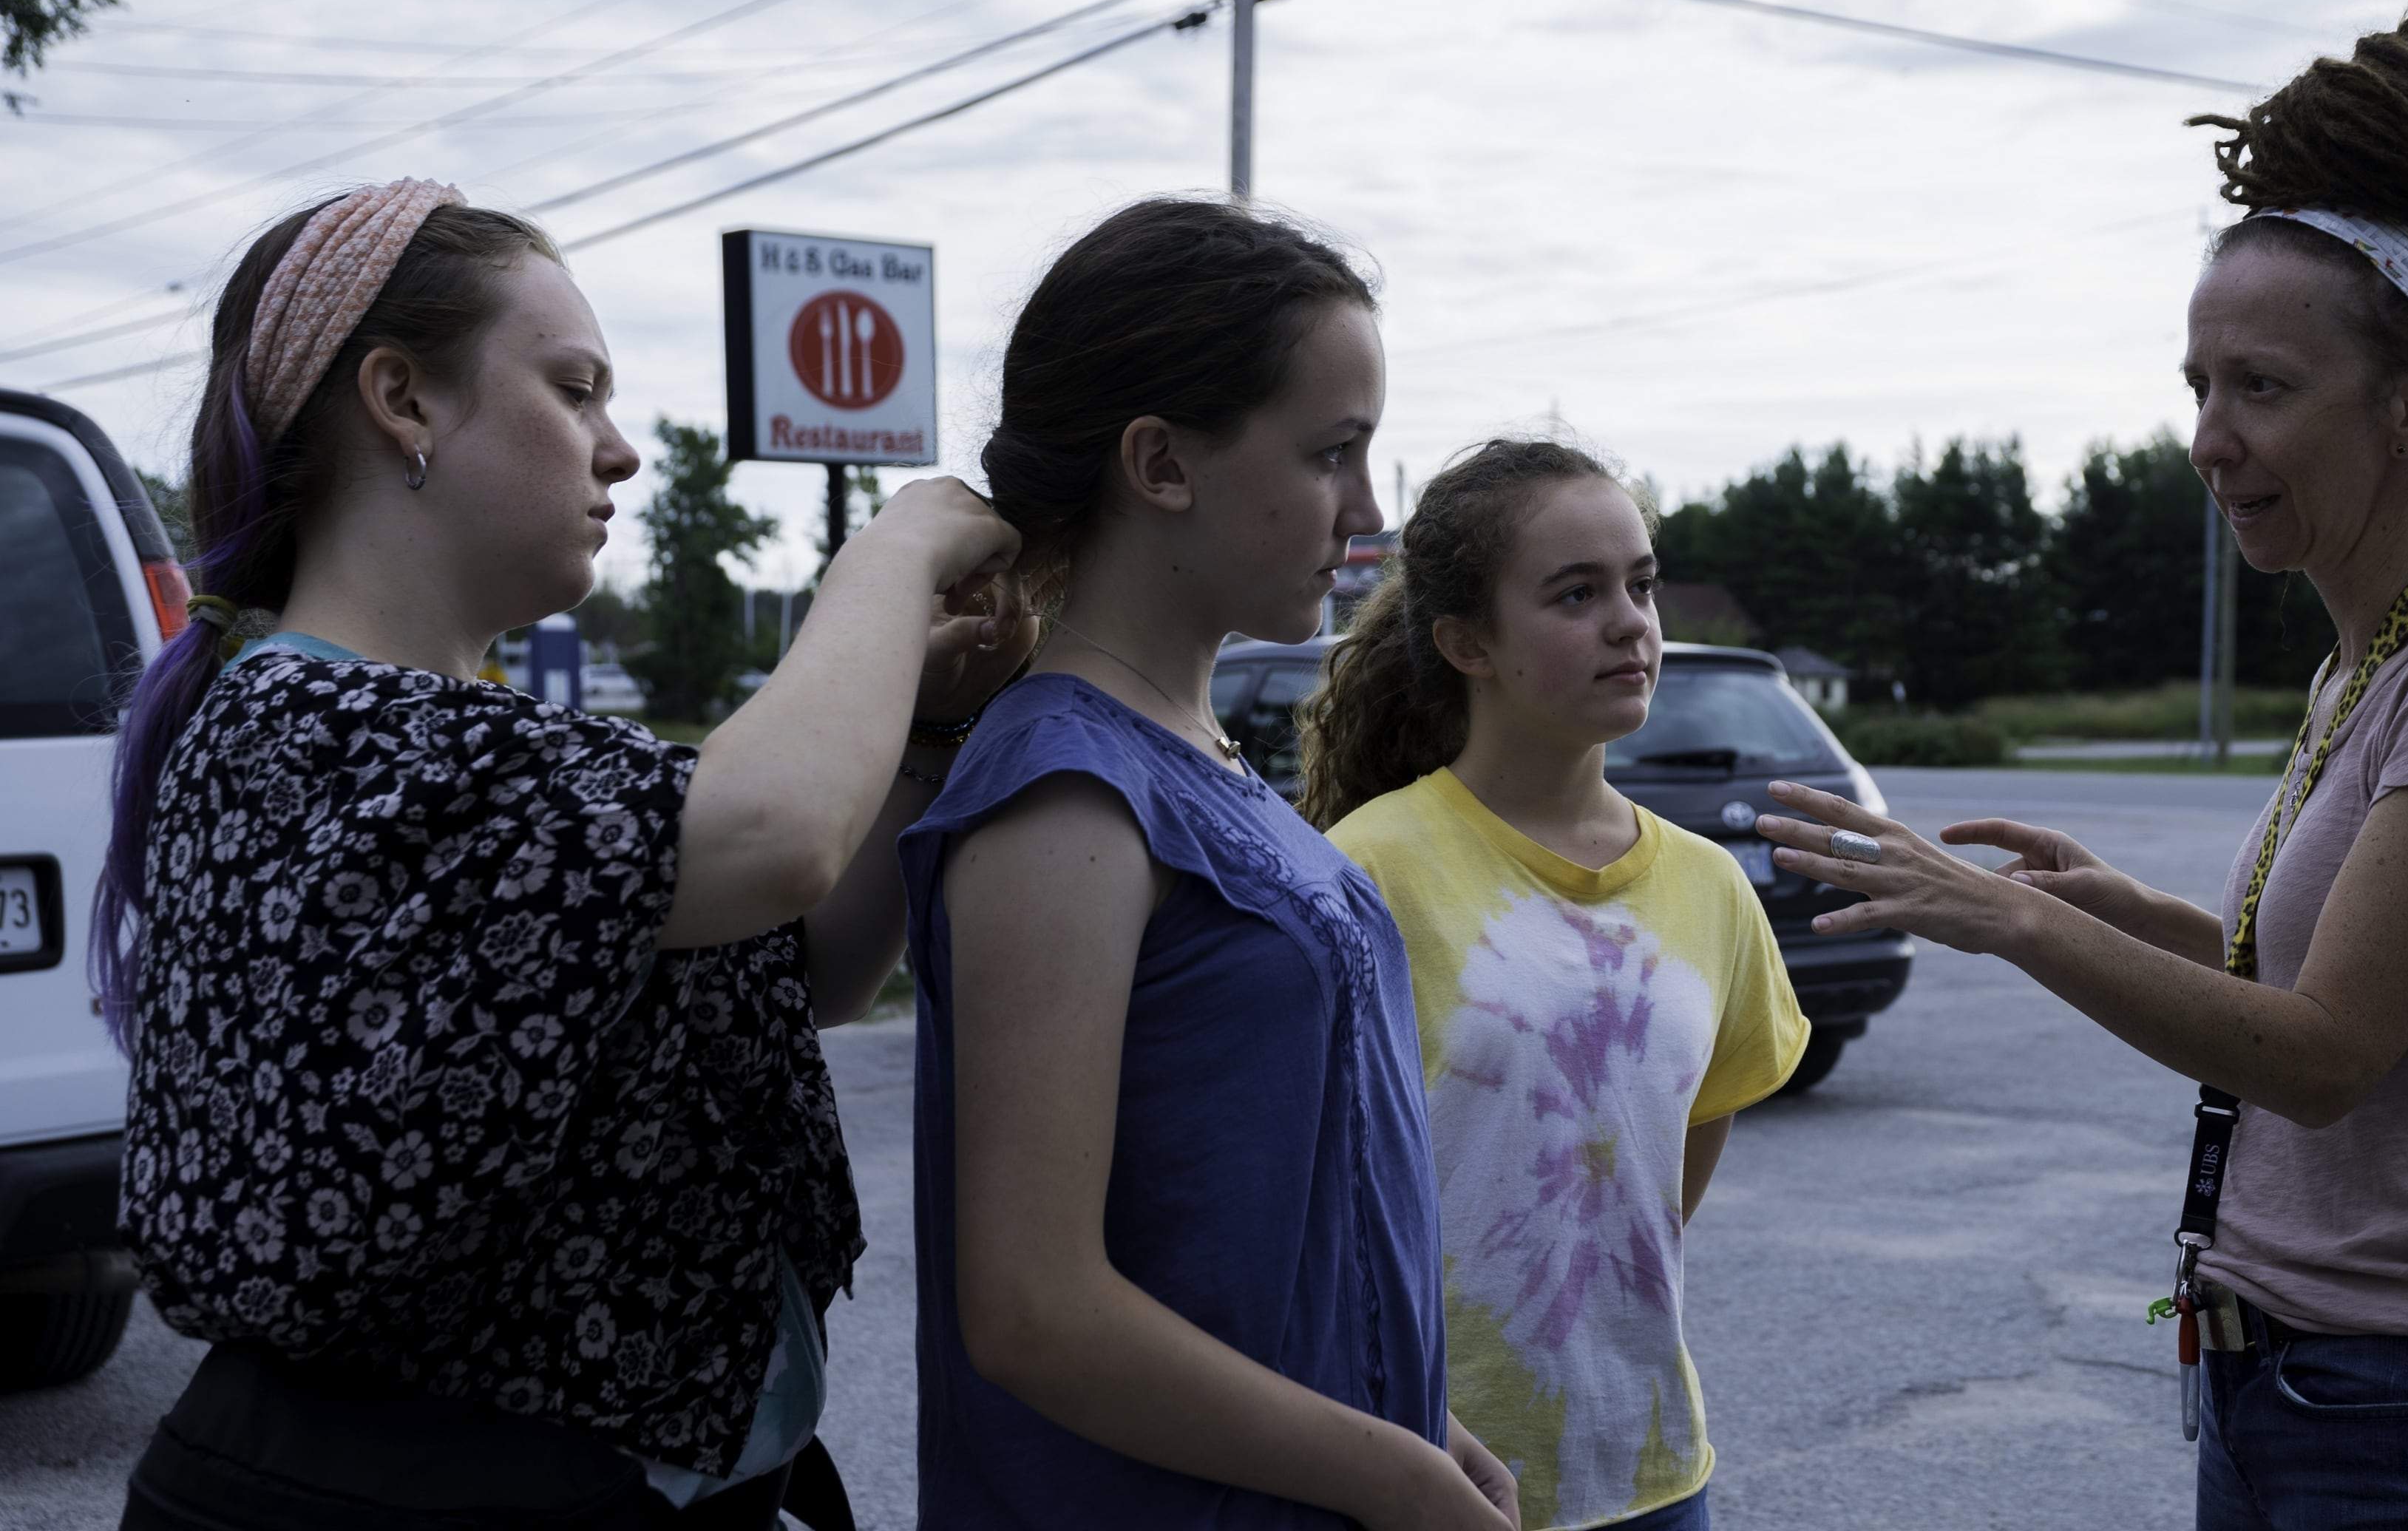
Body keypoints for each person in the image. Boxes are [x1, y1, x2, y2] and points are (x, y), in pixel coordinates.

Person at [1756, 5, 2408, 1530]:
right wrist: (2107, 908)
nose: (2209, 439)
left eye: (2263, 387)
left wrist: (2019, 926)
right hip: (2306, 1389)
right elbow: (2317, 982)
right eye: (2198, 385)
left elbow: (2319, 1055)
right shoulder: (2373, 661)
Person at [97, 180, 1028, 1529]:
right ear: (403, 401)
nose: (621, 449)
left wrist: (929, 721)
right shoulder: (308, 732)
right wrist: (893, 552)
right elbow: (772, 841)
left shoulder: (470, 745)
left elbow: (805, 959)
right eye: (575, 388)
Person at [896, 197, 1514, 1530]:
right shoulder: (1065, 795)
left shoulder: (1194, 752)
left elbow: (1257, 1227)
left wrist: (1420, 1419)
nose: (1366, 510)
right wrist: (1393, 1475)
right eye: (1333, 453)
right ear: (1160, 463)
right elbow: (1034, 1311)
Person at [1302, 439, 1811, 1531]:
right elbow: (1308, 1193)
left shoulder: (1711, 887)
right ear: (1466, 642)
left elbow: (1682, 1141)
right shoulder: (1367, 869)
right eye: (1576, 594)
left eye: (1641, 583)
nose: (1631, 622)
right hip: (1427, 1471)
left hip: (1656, 1473)